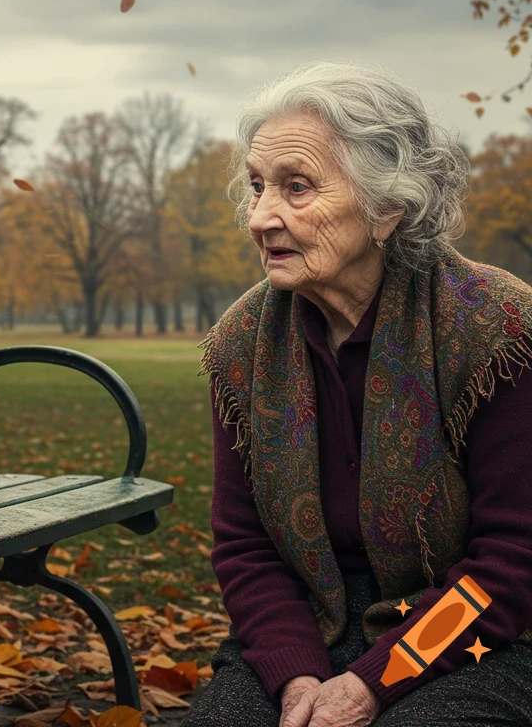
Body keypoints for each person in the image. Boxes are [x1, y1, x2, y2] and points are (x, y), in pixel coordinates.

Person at [182, 61, 532, 727]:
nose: (259, 217)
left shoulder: (497, 329)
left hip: (483, 638)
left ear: (388, 208)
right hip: (307, 628)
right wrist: (296, 676)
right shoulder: (240, 345)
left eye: (296, 187)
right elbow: (246, 550)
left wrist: (373, 683)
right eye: (257, 186)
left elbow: (515, 559)